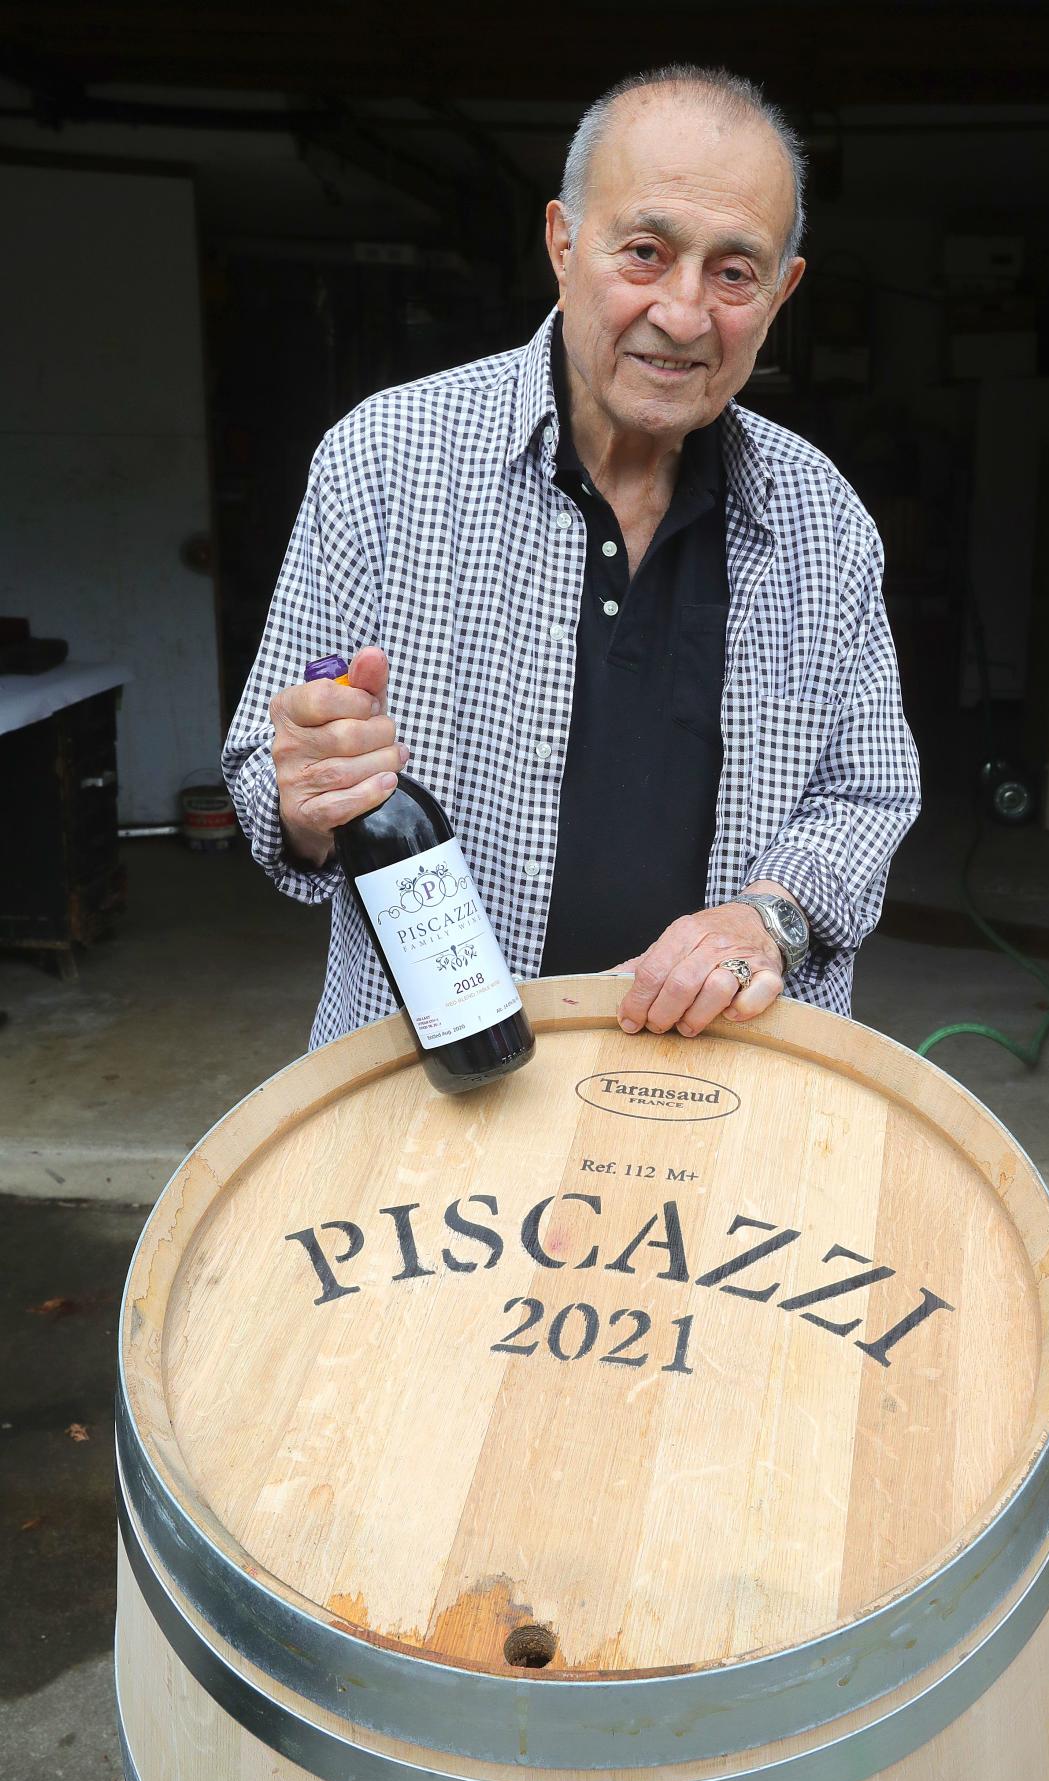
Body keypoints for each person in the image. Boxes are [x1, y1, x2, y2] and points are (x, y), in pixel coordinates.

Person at [222, 65, 920, 1049]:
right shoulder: (386, 459)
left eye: (732, 272)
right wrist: (306, 792)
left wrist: (769, 917)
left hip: (722, 1090)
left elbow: (868, 790)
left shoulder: (822, 517)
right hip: (435, 1078)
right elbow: (267, 779)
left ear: (780, 293)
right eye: (644, 252)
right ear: (561, 241)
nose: (683, 314)